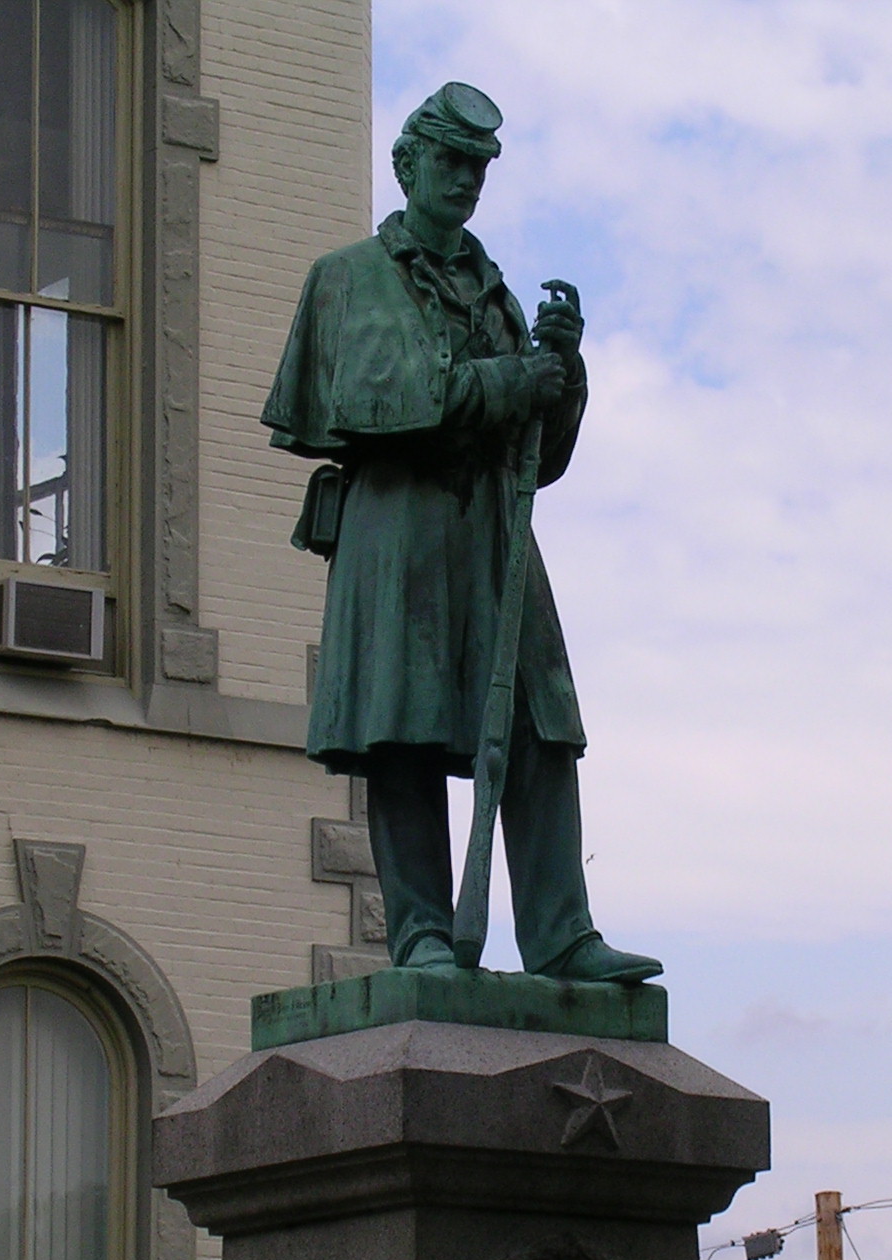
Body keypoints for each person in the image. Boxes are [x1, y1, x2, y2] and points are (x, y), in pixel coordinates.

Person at [263, 82, 661, 984]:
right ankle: (422, 936)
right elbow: (392, 399)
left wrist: (563, 369)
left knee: (538, 719)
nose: (466, 180)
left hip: (491, 531)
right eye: (450, 161)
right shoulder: (351, 276)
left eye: (479, 167)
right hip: (398, 529)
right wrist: (515, 382)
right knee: (402, 729)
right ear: (408, 166)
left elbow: (540, 456)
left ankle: (561, 932)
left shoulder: (497, 292)